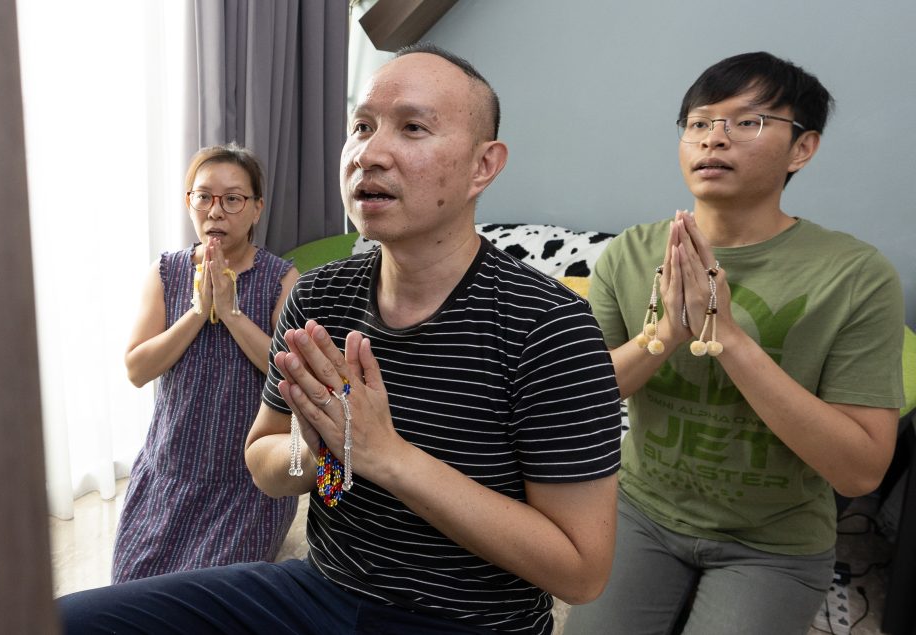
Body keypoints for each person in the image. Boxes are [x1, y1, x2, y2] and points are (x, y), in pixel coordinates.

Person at [60, 43, 623, 635]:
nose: (369, 154)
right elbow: (265, 458)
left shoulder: (550, 326)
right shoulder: (320, 296)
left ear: (483, 165)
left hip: (468, 621)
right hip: (318, 591)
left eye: (412, 128)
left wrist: (389, 457)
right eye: (361, 127)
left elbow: (581, 573)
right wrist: (319, 451)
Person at [565, 52, 905, 635]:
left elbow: (860, 473)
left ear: (802, 147)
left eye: (747, 122)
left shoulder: (855, 276)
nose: (713, 139)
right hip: (641, 511)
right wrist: (665, 334)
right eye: (699, 122)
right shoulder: (630, 253)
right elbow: (580, 400)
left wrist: (726, 336)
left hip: (775, 542)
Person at [111, 143, 300, 583]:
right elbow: (137, 370)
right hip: (169, 472)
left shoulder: (281, 279)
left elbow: (291, 376)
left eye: (233, 199)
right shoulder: (166, 272)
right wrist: (198, 310)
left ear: (256, 208)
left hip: (245, 485)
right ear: (189, 202)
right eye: (204, 197)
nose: (216, 211)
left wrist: (231, 313)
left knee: (206, 599)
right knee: (130, 593)